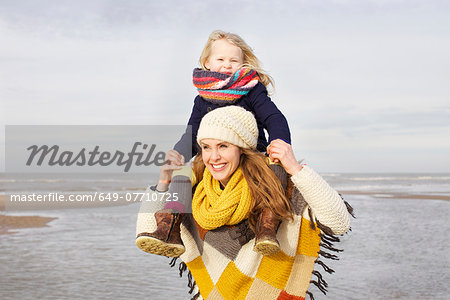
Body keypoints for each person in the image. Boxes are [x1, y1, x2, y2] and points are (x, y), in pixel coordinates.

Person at [136, 106, 352, 299]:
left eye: (223, 146)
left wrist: (295, 169)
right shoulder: (195, 191)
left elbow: (339, 223)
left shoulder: (276, 186)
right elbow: (148, 231)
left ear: (242, 148)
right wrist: (163, 181)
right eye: (206, 146)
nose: (213, 157)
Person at [149, 30, 293, 256]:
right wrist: (178, 154)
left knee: (275, 169)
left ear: (243, 63)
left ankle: (268, 223)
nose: (227, 65)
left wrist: (279, 143)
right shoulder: (202, 97)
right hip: (212, 154)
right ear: (207, 62)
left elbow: (273, 117)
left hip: (250, 153)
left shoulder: (252, 89)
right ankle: (170, 225)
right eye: (220, 59)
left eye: (233, 60)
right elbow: (192, 134)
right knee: (183, 175)